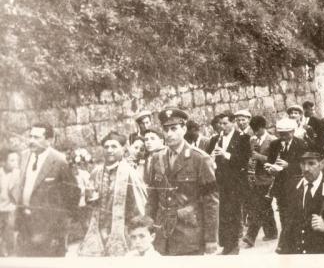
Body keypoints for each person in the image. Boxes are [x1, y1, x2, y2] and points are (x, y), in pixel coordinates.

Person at [146, 108, 219, 255]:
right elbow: (152, 198)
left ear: (184, 129)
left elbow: (211, 202)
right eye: (166, 129)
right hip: (163, 235)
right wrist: (147, 227)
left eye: (174, 128)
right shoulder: (157, 158)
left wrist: (211, 239)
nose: (169, 134)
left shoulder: (200, 159)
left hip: (190, 234)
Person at [13, 123, 79, 257]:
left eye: (37, 137)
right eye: (30, 136)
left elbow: (73, 194)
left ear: (49, 140)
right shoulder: (24, 156)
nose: (31, 141)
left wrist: (60, 229)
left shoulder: (59, 161)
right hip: (25, 228)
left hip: (49, 232)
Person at [78, 131, 147, 256]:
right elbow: (88, 204)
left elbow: (139, 207)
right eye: (106, 147)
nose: (109, 150)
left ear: (123, 149)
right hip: (98, 232)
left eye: (114, 146)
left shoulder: (130, 173)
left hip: (124, 232)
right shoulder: (96, 172)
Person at [277, 151, 324, 254]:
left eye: (311, 163)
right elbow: (287, 221)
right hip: (297, 251)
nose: (306, 168)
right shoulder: (292, 186)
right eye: (303, 164)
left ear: (321, 165)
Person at [266, 118, 308, 253]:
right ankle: (287, 244)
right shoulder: (275, 144)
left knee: (294, 215)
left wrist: (288, 165)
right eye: (281, 134)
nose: (283, 137)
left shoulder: (301, 144)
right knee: (284, 215)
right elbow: (270, 161)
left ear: (293, 132)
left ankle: (288, 243)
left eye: (286, 133)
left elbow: (306, 165)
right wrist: (270, 168)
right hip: (280, 185)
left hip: (296, 185)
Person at [212, 112, 251, 255]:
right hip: (220, 183)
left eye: (225, 123)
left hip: (235, 184)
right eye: (220, 124)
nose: (222, 127)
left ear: (233, 122)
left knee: (233, 214)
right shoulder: (215, 139)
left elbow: (244, 161)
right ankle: (226, 245)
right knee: (222, 214)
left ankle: (233, 246)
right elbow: (208, 158)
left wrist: (225, 154)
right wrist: (212, 159)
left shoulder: (243, 138)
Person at [243, 115, 278, 247]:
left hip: (269, 179)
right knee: (265, 206)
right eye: (253, 130)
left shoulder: (273, 140)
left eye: (257, 129)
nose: (255, 132)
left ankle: (250, 236)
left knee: (258, 207)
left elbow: (274, 160)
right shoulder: (252, 140)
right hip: (255, 179)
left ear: (263, 127)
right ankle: (271, 232)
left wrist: (259, 157)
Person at [0, 149, 19, 256]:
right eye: (12, 160)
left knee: (10, 229)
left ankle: (9, 251)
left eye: (16, 160)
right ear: (3, 162)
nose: (15, 163)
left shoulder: (18, 174)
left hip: (11, 207)